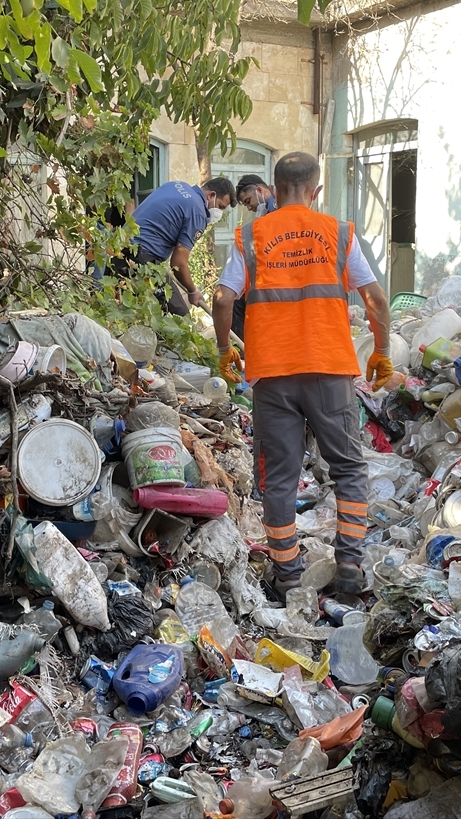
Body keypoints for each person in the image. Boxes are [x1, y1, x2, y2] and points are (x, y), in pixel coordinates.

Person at [211, 152, 393, 597]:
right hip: (329, 370)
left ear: (274, 187)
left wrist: (223, 350)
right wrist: (382, 351)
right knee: (348, 467)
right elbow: (376, 299)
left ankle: (289, 573)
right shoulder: (339, 232)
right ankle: (349, 564)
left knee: (279, 477)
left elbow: (221, 298)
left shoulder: (251, 235)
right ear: (316, 191)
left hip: (272, 374)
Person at [113, 177, 235, 316]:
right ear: (211, 195)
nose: (219, 213)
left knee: (131, 313)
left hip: (119, 249)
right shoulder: (198, 212)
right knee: (179, 318)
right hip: (141, 258)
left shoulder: (177, 185)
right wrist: (192, 291)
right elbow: (178, 263)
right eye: (220, 207)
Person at [229, 174, 277, 339]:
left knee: (235, 301)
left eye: (248, 201)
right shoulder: (268, 213)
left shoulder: (276, 210)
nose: (249, 208)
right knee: (237, 299)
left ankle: (241, 352)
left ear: (260, 190)